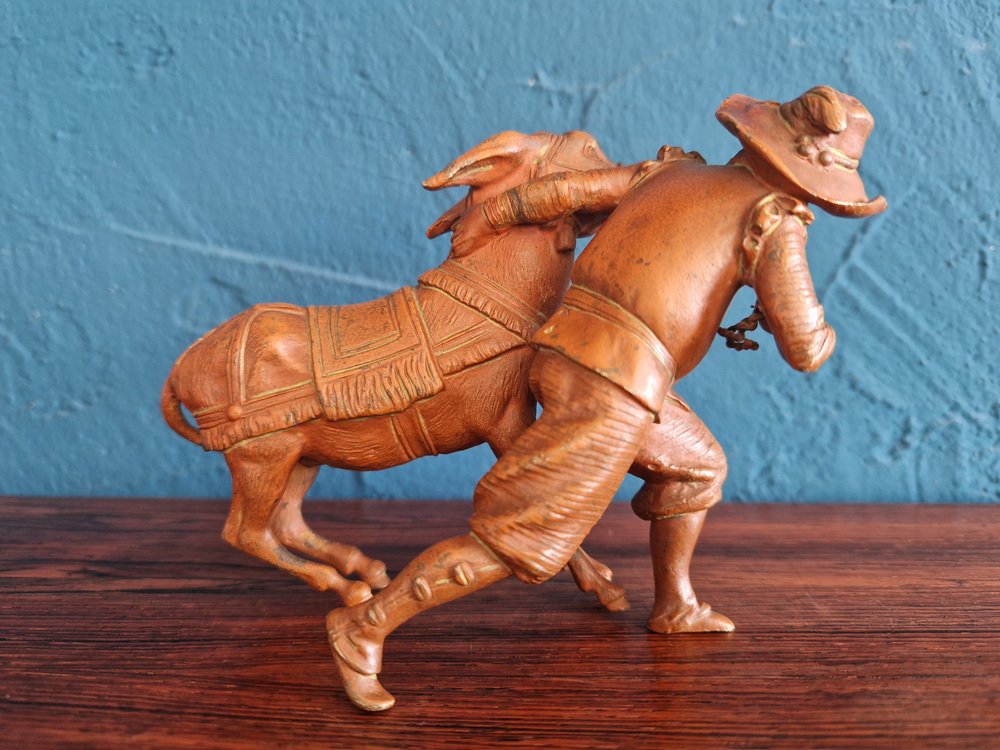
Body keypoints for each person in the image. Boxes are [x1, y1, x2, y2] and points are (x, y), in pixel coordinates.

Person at [325, 86, 888, 711]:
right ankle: (365, 625)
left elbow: (561, 194)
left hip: (569, 351)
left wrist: (494, 212)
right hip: (612, 386)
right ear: (810, 173)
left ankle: (675, 605)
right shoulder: (772, 222)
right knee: (521, 538)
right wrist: (822, 327)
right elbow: (805, 346)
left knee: (698, 468)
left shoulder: (673, 172)